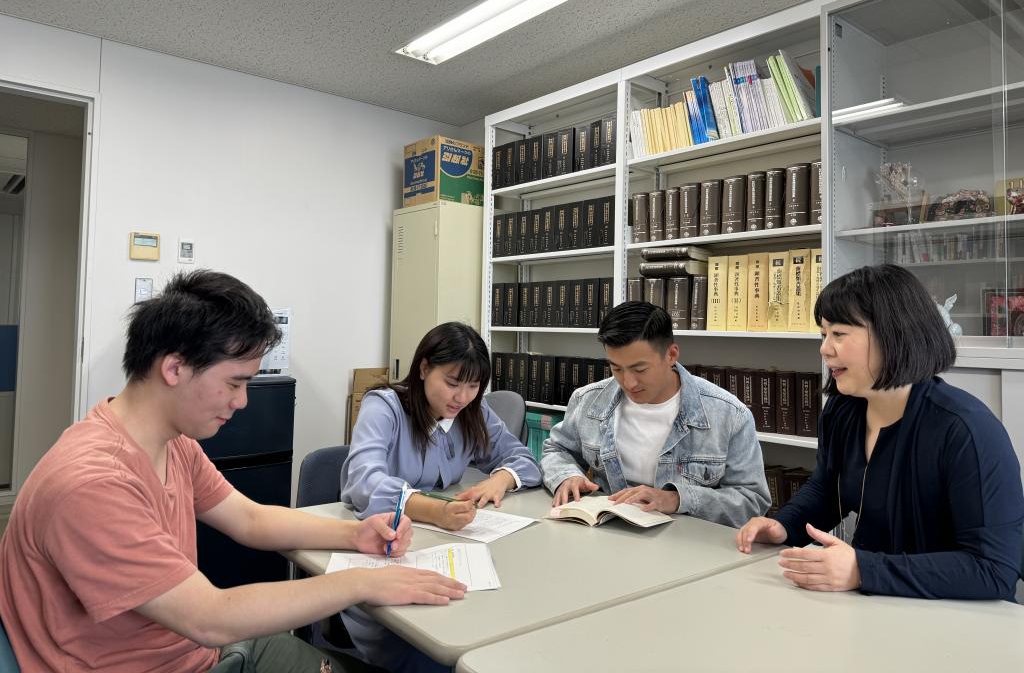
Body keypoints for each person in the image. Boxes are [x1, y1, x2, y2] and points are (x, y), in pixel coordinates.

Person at [0, 270, 465, 673]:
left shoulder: (171, 442)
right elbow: (210, 616)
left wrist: (356, 536)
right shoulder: (93, 483)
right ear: (174, 368)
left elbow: (249, 519)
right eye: (234, 383)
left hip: (198, 651)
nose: (242, 401)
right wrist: (363, 581)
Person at [736, 264, 1024, 600]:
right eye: (823, 334)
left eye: (839, 334)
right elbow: (828, 489)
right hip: (872, 605)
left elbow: (993, 570)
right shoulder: (844, 410)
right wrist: (783, 526)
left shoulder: (965, 430)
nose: (825, 348)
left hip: (954, 622)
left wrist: (862, 570)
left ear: (893, 334)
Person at [340, 321, 540, 672]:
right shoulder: (384, 406)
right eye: (452, 383)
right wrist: (433, 511)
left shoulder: (472, 412)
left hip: (451, 559)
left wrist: (502, 479)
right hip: (386, 559)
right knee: (432, 654)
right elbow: (363, 481)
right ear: (423, 369)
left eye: (474, 386)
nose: (461, 397)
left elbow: (522, 458)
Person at [541, 301, 770, 527]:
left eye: (640, 369)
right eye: (616, 368)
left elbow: (752, 502)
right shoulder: (587, 400)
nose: (628, 382)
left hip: (689, 544)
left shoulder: (729, 414)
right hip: (609, 535)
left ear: (671, 355)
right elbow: (558, 449)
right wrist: (566, 476)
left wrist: (677, 499)